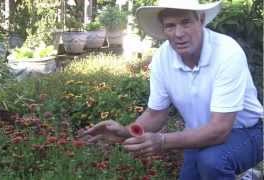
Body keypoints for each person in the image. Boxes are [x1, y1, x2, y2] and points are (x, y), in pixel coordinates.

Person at [81, 0, 263, 179]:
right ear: (163, 29)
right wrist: (125, 131)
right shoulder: (163, 57)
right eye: (170, 26)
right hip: (199, 134)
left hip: (250, 131)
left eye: (186, 22)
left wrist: (162, 141)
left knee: (212, 161)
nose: (179, 33)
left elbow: (220, 129)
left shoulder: (227, 52)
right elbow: (155, 115)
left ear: (200, 19)